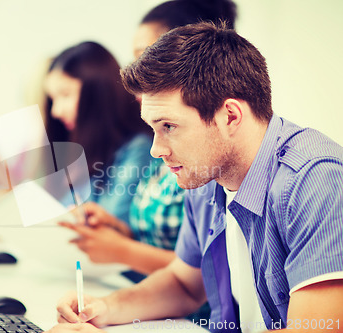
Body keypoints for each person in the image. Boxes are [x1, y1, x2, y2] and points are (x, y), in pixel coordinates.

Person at [49, 22, 343, 333]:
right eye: (152, 129)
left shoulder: (316, 181)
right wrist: (104, 308)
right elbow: (183, 284)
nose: (155, 150)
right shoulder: (204, 174)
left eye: (169, 127)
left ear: (230, 116)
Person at [60, 0, 237, 276]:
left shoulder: (210, 158)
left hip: (192, 317)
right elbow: (172, 250)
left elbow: (205, 275)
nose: (134, 70)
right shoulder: (163, 145)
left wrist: (122, 250)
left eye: (144, 57)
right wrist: (118, 230)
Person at [43, 41, 153, 223]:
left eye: (65, 95)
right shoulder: (83, 148)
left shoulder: (138, 148)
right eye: (53, 99)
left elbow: (107, 225)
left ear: (98, 94)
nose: (56, 111)